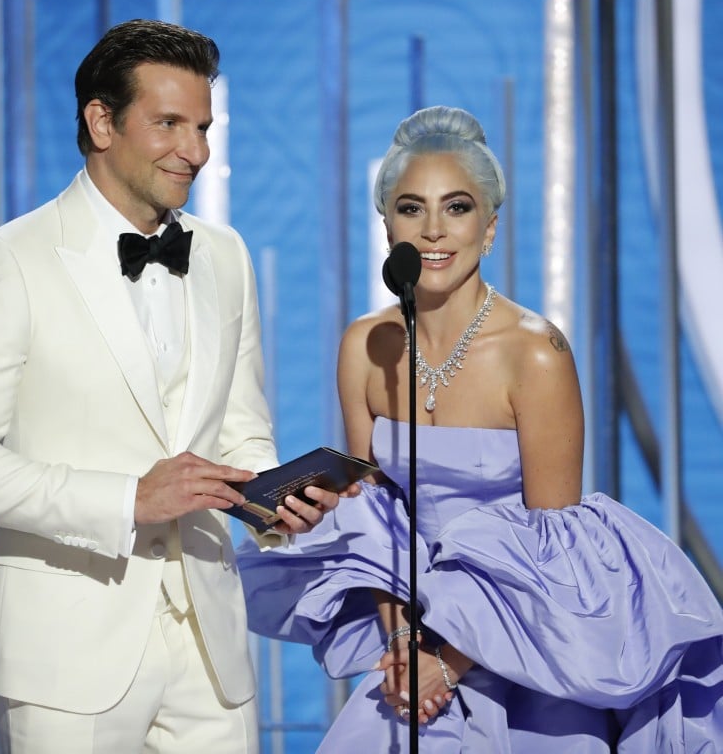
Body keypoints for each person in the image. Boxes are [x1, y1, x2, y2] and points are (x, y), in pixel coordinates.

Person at [237, 105, 723, 752]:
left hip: (527, 645)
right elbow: (372, 522)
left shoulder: (536, 353)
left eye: (458, 207)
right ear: (387, 226)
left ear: (490, 228)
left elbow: (554, 548)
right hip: (414, 639)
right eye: (412, 208)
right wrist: (408, 649)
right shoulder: (365, 346)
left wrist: (450, 659)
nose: (434, 229)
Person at [0, 18, 343, 754]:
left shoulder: (226, 255)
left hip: (210, 648)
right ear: (101, 121)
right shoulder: (10, 260)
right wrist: (127, 499)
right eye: (168, 124)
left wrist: (274, 498)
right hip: (65, 652)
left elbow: (239, 428)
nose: (194, 151)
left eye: (202, 126)